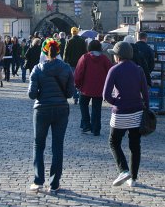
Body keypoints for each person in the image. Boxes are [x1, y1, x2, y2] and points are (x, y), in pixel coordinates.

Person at [27, 38, 75, 193]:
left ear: (44, 52)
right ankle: (54, 184)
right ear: (58, 51)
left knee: (38, 145)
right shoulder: (66, 68)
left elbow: (32, 94)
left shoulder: (37, 69)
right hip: (61, 109)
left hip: (42, 110)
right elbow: (69, 93)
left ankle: (38, 181)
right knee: (57, 146)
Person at [103, 41, 149, 188]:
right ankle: (133, 178)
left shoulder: (114, 70)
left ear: (118, 56)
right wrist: (145, 107)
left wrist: (116, 101)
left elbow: (105, 94)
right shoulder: (139, 70)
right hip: (137, 111)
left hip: (121, 113)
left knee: (114, 142)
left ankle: (123, 170)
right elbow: (145, 92)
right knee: (135, 145)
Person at [74, 39, 112, 136]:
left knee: (83, 105)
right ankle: (96, 129)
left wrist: (77, 84)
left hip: (85, 88)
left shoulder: (85, 57)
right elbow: (110, 72)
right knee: (97, 109)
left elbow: (78, 72)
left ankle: (86, 125)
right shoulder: (104, 59)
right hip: (99, 88)